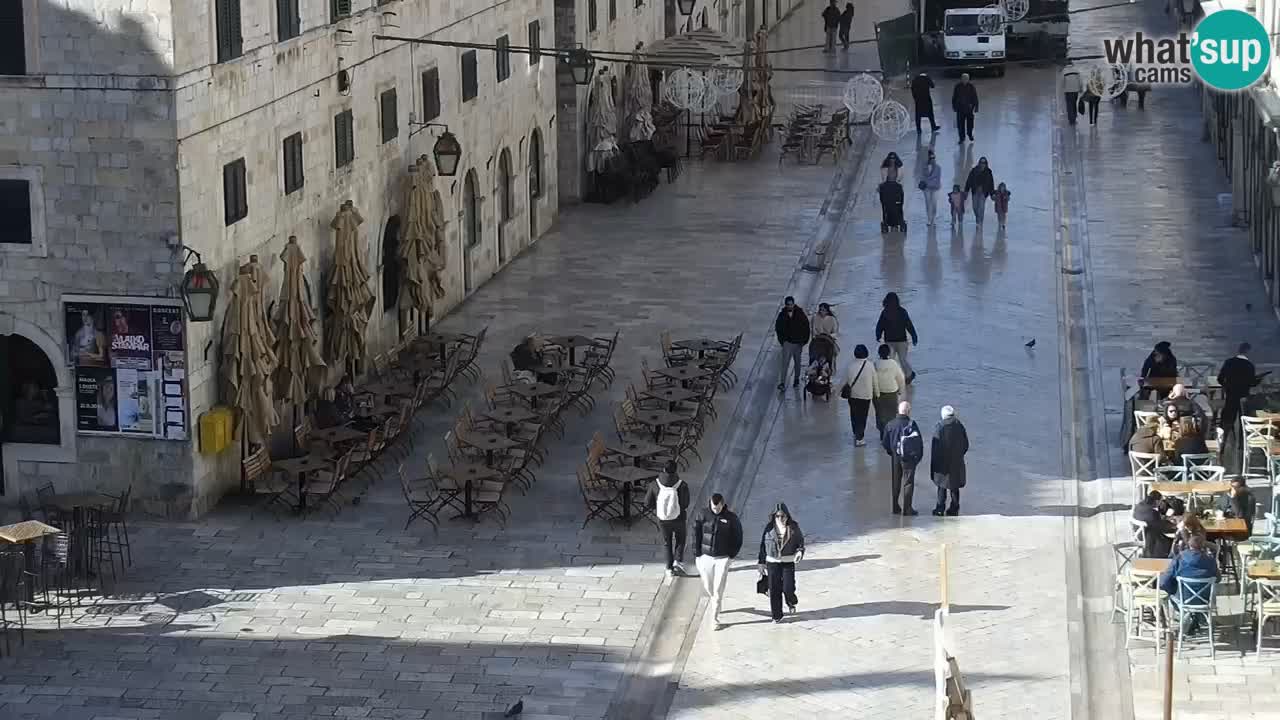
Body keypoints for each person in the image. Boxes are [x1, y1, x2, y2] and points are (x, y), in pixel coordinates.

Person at [692, 494, 743, 630]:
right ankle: (716, 601)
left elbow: (738, 537)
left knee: (718, 588)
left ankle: (714, 617)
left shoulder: (731, 518)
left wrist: (731, 556)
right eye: (713, 508)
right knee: (708, 586)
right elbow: (696, 533)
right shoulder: (702, 514)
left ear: (722, 504)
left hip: (722, 558)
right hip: (705, 557)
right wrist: (696, 553)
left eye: (718, 508)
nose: (715, 510)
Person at [1159, 534, 1219, 635]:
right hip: (1204, 600)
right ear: (1203, 547)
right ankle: (1196, 617)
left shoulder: (1179, 559)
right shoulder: (1210, 561)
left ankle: (1189, 617)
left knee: (1171, 594)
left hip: (1183, 599)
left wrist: (1171, 589)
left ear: (1188, 546)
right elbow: (1218, 578)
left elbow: (1164, 582)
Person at [757, 503, 805, 623]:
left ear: (787, 516)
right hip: (772, 562)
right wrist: (761, 562)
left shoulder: (793, 527)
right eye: (777, 516)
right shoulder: (769, 528)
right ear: (774, 516)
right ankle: (777, 615)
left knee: (788, 587)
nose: (780, 518)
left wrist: (799, 552)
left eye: (783, 516)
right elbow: (763, 545)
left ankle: (791, 601)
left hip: (788, 561)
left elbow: (800, 542)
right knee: (774, 589)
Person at [644, 460, 691, 577]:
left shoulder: (655, 484)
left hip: (663, 519)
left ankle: (669, 568)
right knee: (680, 539)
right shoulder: (682, 484)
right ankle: (678, 560)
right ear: (676, 470)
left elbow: (647, 503)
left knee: (667, 543)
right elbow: (685, 504)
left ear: (663, 470)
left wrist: (659, 506)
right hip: (679, 518)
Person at [881, 401, 924, 515]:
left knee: (896, 481)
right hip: (909, 459)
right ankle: (907, 508)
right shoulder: (912, 425)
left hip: (895, 456)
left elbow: (885, 442)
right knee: (908, 483)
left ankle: (895, 507)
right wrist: (918, 458)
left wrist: (891, 452)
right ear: (908, 412)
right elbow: (919, 443)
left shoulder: (890, 424)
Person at [1217, 342, 1258, 451]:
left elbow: (1220, 379)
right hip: (1243, 398)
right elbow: (1252, 383)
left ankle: (1222, 444)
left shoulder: (1228, 362)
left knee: (1227, 421)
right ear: (1248, 351)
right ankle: (1242, 445)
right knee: (1242, 420)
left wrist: (1227, 387)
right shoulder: (1249, 366)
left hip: (1230, 396)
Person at [930, 405, 969, 516]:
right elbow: (966, 445)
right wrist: (959, 455)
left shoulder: (940, 427)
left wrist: (934, 463)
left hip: (943, 462)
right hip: (957, 461)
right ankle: (954, 508)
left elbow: (935, 447)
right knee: (954, 486)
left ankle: (940, 508)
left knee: (942, 486)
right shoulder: (960, 426)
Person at [875, 292, 918, 383]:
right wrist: (914, 336)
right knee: (902, 360)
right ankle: (908, 375)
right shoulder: (901, 311)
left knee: (891, 360)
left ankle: (898, 377)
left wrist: (878, 335)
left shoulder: (886, 312)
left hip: (891, 341)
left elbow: (880, 325)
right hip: (901, 341)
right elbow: (909, 325)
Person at [841, 344, 878, 446]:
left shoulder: (850, 365)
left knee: (854, 415)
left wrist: (837, 392)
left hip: (852, 395)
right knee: (863, 416)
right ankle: (860, 438)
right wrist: (877, 393)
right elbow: (875, 381)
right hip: (866, 396)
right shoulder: (870, 365)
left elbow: (844, 381)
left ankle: (856, 432)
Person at [775, 296, 811, 391]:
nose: (790, 306)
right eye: (788, 305)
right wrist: (782, 341)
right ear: (786, 305)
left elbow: (806, 327)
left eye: (791, 304)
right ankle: (782, 382)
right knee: (785, 363)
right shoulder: (782, 315)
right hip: (787, 343)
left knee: (797, 362)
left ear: (793, 304)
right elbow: (778, 328)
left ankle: (796, 379)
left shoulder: (800, 314)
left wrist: (804, 341)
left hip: (798, 343)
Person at [872, 343, 906, 434]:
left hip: (878, 393)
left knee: (880, 413)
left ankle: (882, 432)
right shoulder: (893, 364)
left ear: (879, 353)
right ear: (889, 353)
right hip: (891, 392)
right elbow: (901, 378)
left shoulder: (875, 364)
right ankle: (891, 432)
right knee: (891, 414)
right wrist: (901, 391)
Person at [1133, 490, 1175, 558]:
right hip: (1150, 538)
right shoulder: (1153, 513)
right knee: (1173, 541)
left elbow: (1153, 521)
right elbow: (1162, 528)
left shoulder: (1139, 506)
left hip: (1139, 532)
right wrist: (1174, 525)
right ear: (1157, 501)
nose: (1161, 503)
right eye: (1161, 501)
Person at [964, 157, 995, 227]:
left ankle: (980, 222)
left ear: (986, 164)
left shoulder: (988, 172)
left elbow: (991, 184)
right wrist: (966, 191)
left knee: (981, 207)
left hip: (984, 192)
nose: (982, 164)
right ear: (979, 163)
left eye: (984, 163)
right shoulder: (974, 170)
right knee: (975, 207)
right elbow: (968, 181)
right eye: (981, 162)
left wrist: (992, 194)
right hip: (975, 191)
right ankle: (978, 218)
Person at [951, 73, 978, 143]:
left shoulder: (971, 86)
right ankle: (961, 138)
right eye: (964, 78)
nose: (965, 80)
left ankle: (970, 134)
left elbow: (975, 97)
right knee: (960, 125)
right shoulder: (957, 86)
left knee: (970, 124)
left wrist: (976, 107)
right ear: (961, 79)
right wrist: (954, 106)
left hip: (969, 109)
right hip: (960, 109)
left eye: (966, 79)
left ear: (968, 79)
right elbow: (954, 97)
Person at [919, 149, 942, 225]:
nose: (933, 159)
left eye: (933, 158)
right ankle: (929, 219)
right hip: (927, 188)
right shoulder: (924, 167)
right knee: (928, 204)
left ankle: (934, 218)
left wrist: (935, 185)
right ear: (929, 158)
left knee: (934, 204)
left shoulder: (938, 167)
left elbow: (938, 179)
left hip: (935, 188)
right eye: (931, 158)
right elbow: (922, 177)